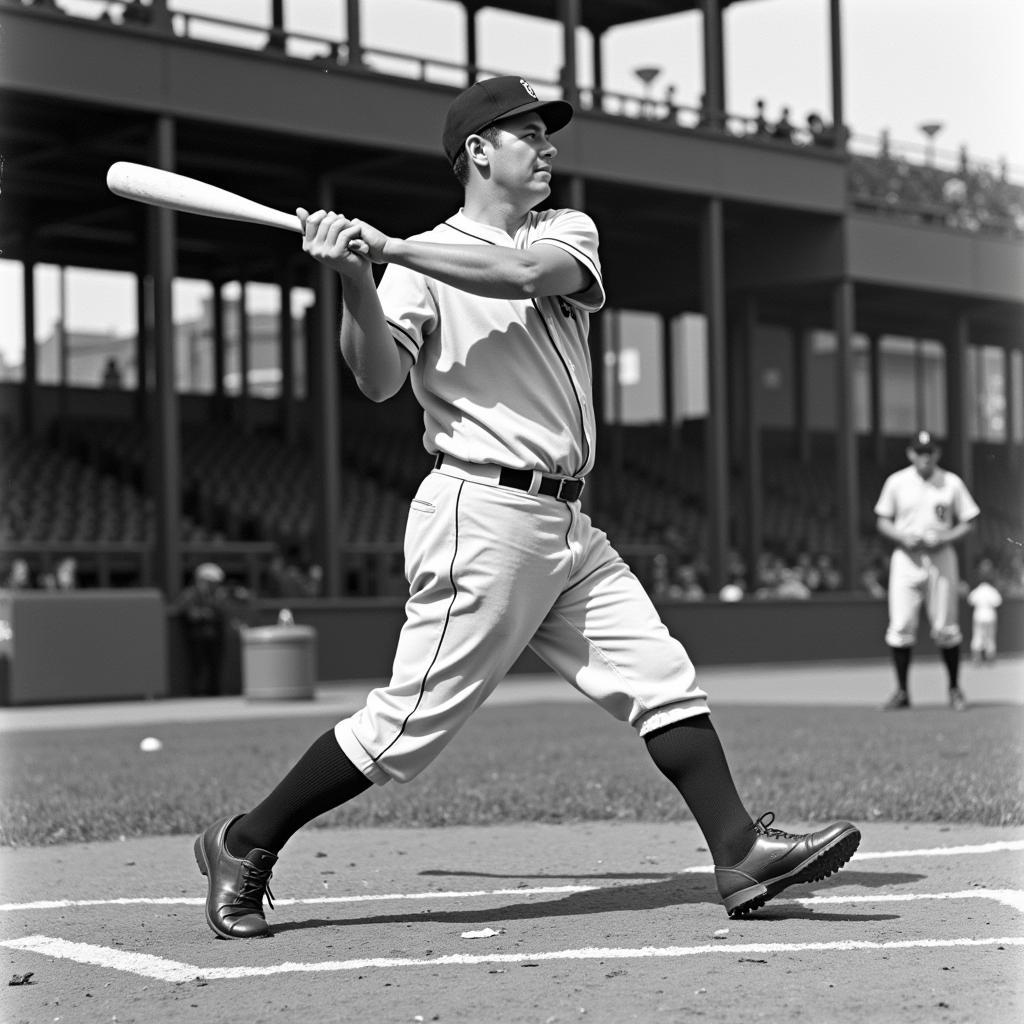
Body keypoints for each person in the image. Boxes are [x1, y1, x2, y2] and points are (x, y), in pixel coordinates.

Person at [194, 75, 860, 940]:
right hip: (483, 512)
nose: (547, 148)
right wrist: (357, 278)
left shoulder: (562, 232)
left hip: (570, 521)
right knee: (404, 730)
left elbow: (515, 274)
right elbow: (377, 380)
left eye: (547, 136)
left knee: (660, 677)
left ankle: (738, 850)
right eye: (526, 135)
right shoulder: (414, 266)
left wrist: (389, 247)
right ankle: (243, 842)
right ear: (477, 151)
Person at [874, 430, 980, 710]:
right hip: (906, 557)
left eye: (929, 451)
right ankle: (902, 691)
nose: (925, 456)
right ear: (910, 453)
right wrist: (901, 537)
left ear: (937, 453)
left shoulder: (951, 482)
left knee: (946, 625)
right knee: (900, 624)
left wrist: (944, 538)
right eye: (919, 451)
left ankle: (955, 689)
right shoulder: (897, 482)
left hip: (941, 556)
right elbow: (882, 520)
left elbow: (969, 520)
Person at [175, 562, 238, 697]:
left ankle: (214, 692)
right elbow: (185, 612)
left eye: (214, 583)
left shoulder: (218, 596)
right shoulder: (190, 594)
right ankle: (196, 693)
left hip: (215, 637)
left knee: (215, 666)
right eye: (209, 582)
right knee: (197, 667)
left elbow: (223, 611)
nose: (212, 586)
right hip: (197, 637)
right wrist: (202, 614)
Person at [967, 558, 1002, 665]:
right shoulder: (991, 590)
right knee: (989, 637)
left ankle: (977, 658)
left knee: (978, 636)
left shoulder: (978, 590)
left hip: (979, 615)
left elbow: (970, 601)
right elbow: (998, 602)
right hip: (990, 615)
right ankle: (989, 658)